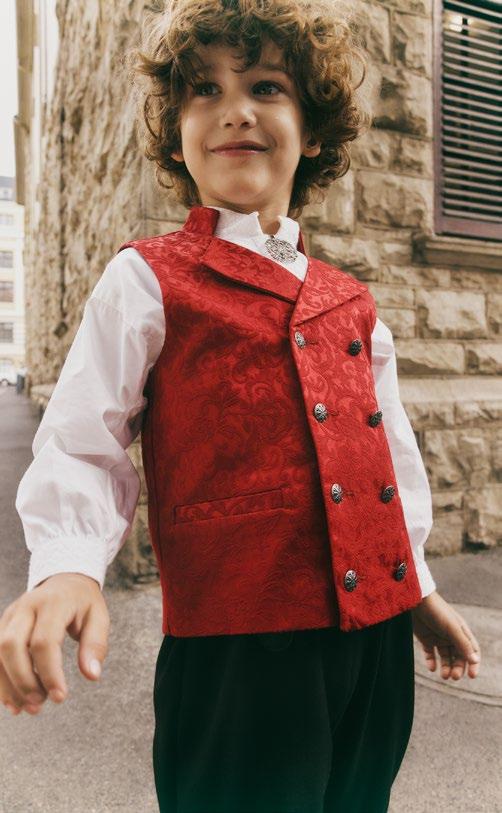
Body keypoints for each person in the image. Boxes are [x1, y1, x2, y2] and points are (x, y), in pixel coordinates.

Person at [1, 1, 481, 811]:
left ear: (313, 131)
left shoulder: (354, 302)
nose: (235, 110)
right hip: (237, 655)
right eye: (204, 90)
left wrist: (418, 586)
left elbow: (388, 458)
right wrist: (68, 565)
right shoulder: (147, 278)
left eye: (265, 86)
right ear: (177, 135)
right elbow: (84, 440)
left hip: (375, 646)